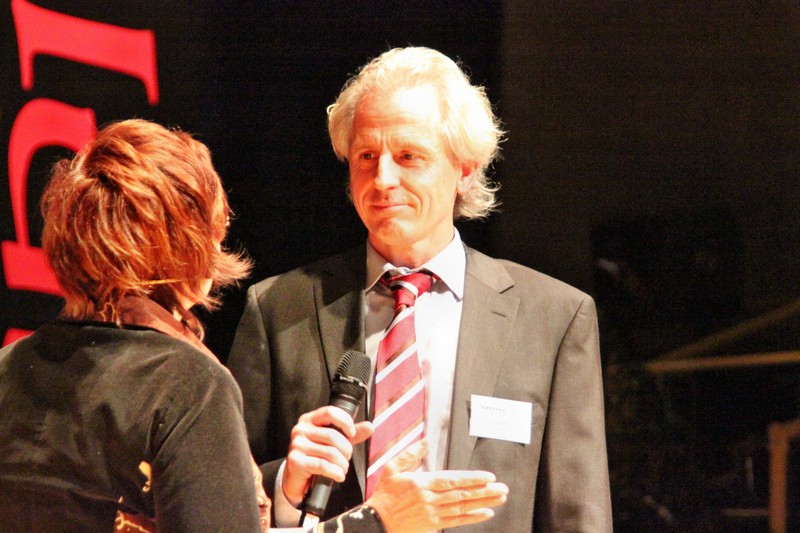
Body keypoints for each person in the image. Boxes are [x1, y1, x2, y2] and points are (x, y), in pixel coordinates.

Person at [0, 118, 507, 533]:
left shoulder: (9, 367)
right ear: (186, 242)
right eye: (215, 227)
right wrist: (376, 522)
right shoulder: (186, 385)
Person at [228, 46, 613, 532]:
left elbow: (579, 515)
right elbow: (218, 498)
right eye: (366, 156)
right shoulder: (279, 308)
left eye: (408, 156)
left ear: (465, 169)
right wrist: (287, 483)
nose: (382, 179)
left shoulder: (553, 318)